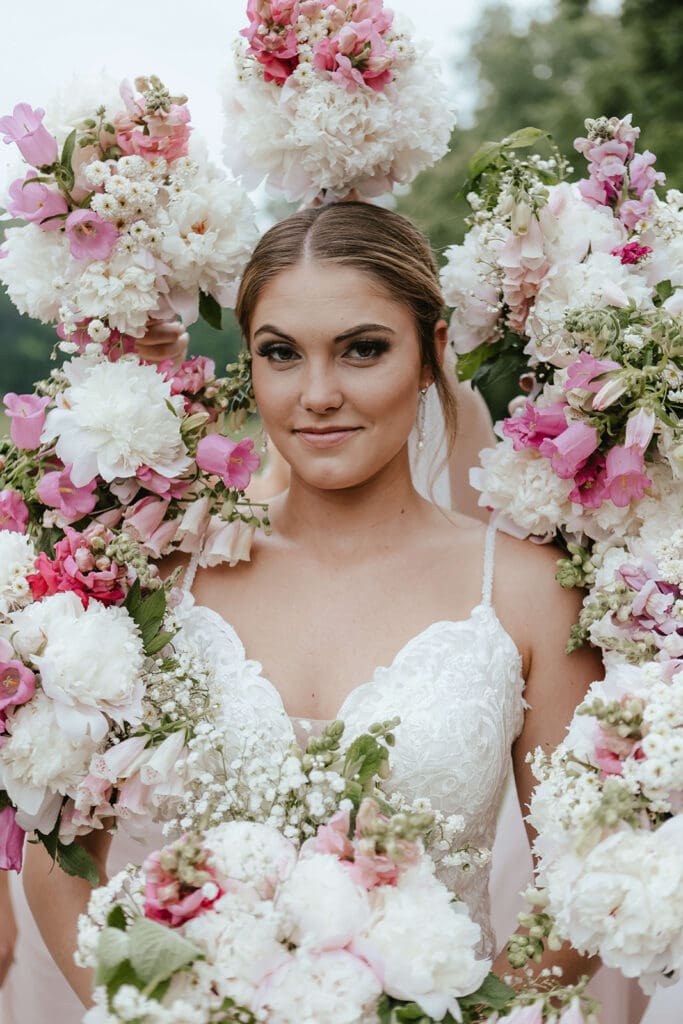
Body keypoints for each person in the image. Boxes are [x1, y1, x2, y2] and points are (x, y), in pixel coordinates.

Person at [20, 201, 602, 1011]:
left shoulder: (530, 593)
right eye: (282, 354)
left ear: (432, 354)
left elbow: (579, 886)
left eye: (363, 350)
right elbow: (61, 870)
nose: (318, 393)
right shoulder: (159, 579)